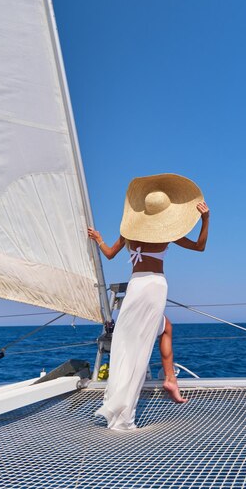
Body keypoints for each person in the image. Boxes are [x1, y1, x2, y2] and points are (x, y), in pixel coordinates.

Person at [88, 173, 210, 431]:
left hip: (136, 286)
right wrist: (205, 219)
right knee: (149, 339)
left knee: (141, 337)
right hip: (155, 285)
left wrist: (99, 239)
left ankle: (167, 381)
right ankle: (162, 385)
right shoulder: (167, 235)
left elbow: (109, 254)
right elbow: (200, 248)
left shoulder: (128, 233)